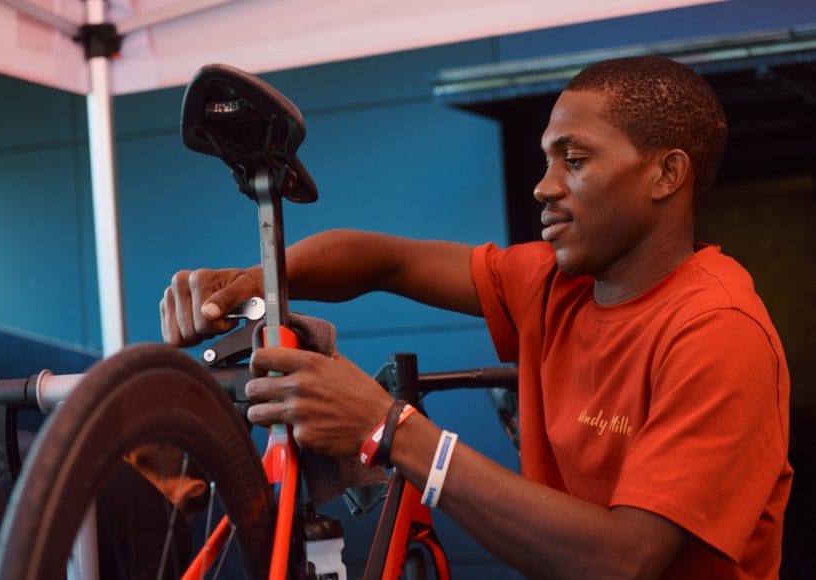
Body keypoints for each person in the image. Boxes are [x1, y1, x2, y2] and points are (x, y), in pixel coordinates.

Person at [161, 56, 792, 578]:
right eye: (546, 159)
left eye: (574, 160)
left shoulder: (717, 330)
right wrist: (250, 283)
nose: (543, 186)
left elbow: (624, 560)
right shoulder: (554, 282)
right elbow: (387, 262)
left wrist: (389, 429)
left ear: (666, 173)